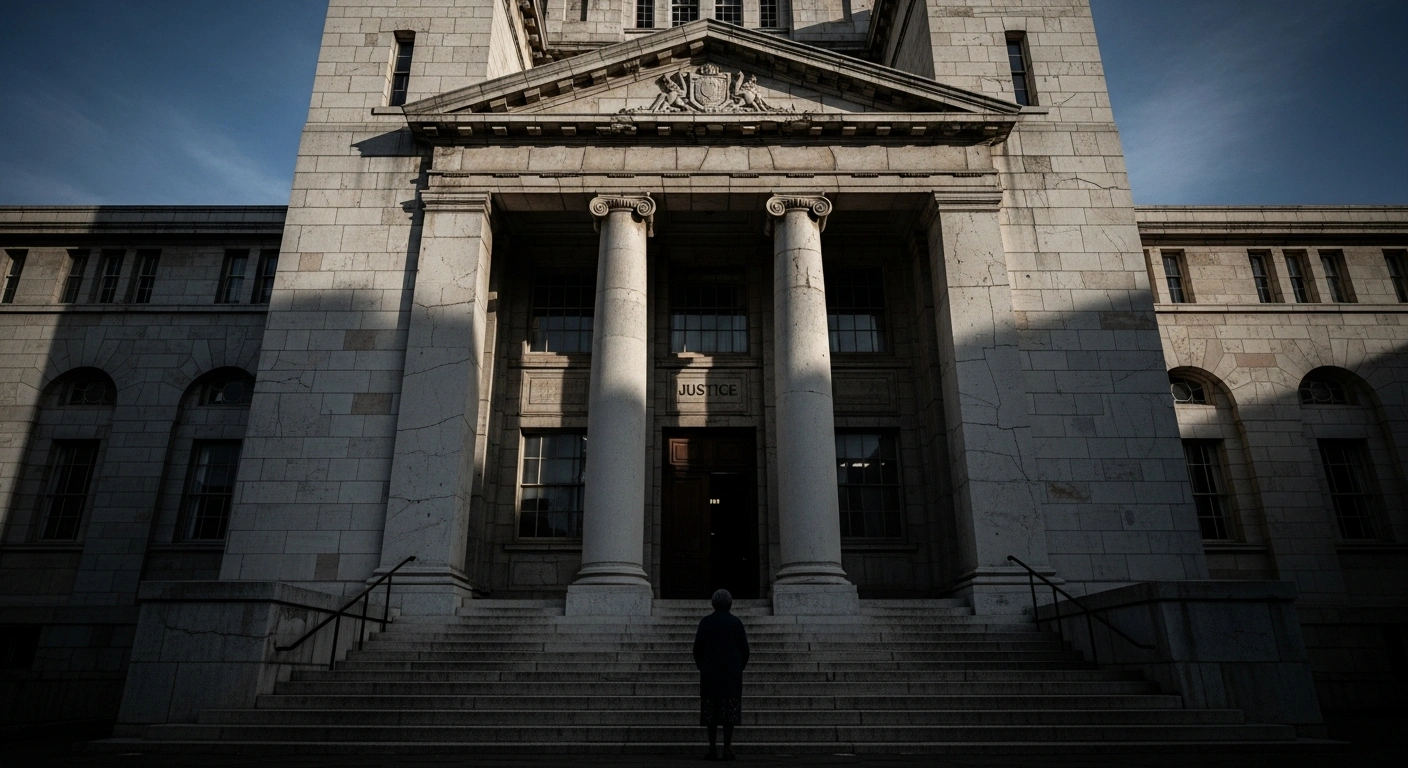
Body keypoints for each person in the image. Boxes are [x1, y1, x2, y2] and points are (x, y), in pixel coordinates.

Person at [693, 588, 750, 761]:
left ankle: (712, 748)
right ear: (730, 603)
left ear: (713, 603)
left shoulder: (706, 622)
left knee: (711, 714)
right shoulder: (736, 622)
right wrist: (738, 667)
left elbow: (697, 649)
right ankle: (727, 748)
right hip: (731, 676)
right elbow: (745, 650)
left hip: (710, 675)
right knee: (729, 715)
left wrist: (703, 667)